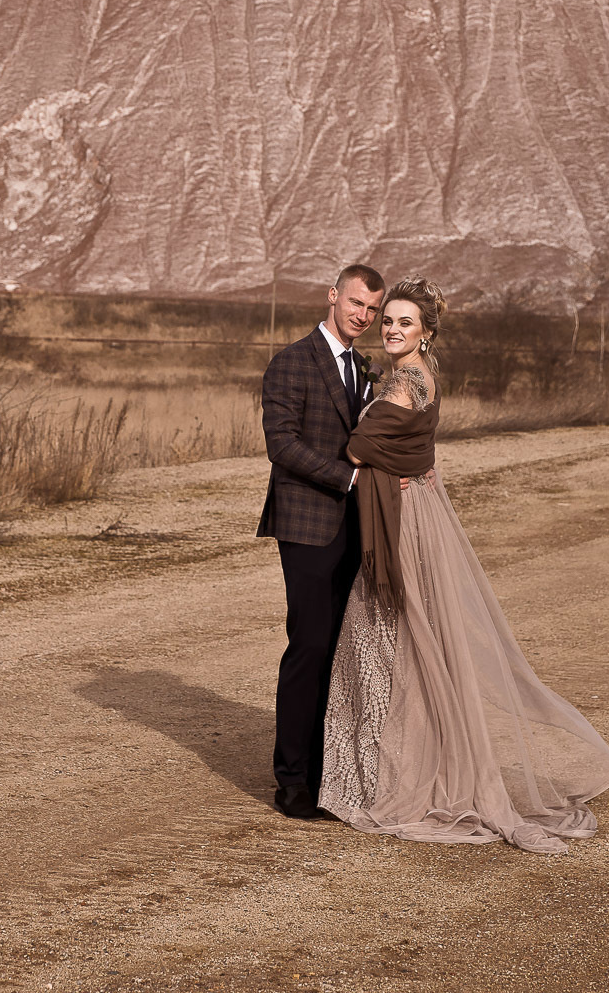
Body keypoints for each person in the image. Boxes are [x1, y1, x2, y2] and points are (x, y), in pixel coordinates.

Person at [318, 276, 609, 854]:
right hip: (416, 504)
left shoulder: (405, 380)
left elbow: (358, 447)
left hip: (404, 518)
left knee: (395, 642)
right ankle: (416, 764)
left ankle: (397, 778)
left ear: (427, 332)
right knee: (417, 640)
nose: (392, 329)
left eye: (405, 322)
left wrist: (375, 447)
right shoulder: (420, 376)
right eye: (388, 320)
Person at [258, 264, 386, 819]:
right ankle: (293, 783)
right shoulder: (291, 361)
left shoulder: (366, 367)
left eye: (372, 310)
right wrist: (350, 478)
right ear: (333, 296)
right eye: (355, 303)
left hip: (358, 527)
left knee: (340, 653)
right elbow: (281, 445)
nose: (362, 315)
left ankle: (329, 777)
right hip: (308, 525)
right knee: (309, 647)